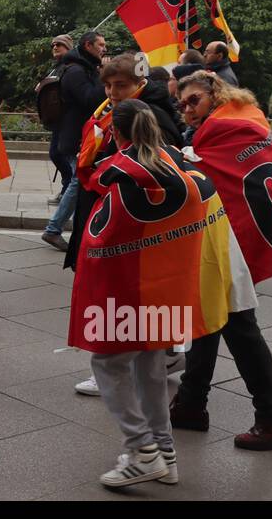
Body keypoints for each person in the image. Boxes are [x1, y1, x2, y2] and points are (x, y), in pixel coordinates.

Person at [68, 99, 229, 489]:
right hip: (168, 285)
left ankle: (142, 450)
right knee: (149, 366)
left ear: (118, 134)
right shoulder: (177, 162)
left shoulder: (123, 172)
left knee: (108, 363)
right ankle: (164, 452)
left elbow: (99, 208)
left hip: (129, 288)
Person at [170, 70, 272, 449]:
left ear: (216, 93)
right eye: (182, 104)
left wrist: (183, 161)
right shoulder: (245, 120)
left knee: (239, 326)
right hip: (226, 237)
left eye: (194, 100)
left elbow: (207, 179)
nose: (187, 109)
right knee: (208, 320)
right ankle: (192, 403)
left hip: (230, 241)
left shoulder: (223, 129)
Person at [69, 53, 185, 396]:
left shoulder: (147, 114)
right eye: (107, 84)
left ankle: (114, 367)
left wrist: (109, 167)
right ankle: (161, 356)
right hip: (110, 206)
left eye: (120, 85)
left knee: (115, 293)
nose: (112, 91)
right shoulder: (109, 112)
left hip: (128, 217)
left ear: (140, 83)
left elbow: (157, 164)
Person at [41, 30, 106, 250]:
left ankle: (75, 229)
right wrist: (103, 76)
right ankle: (53, 229)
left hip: (77, 135)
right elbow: (90, 100)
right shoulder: (76, 71)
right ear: (88, 46)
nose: (104, 49)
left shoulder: (81, 68)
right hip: (74, 137)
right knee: (78, 181)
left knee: (81, 181)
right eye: (100, 44)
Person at [39, 33, 75, 206]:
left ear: (68, 48)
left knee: (59, 154)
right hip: (58, 120)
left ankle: (70, 188)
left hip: (67, 120)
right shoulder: (57, 67)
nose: (55, 47)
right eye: (53, 45)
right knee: (58, 154)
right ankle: (68, 188)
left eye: (59, 45)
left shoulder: (70, 67)